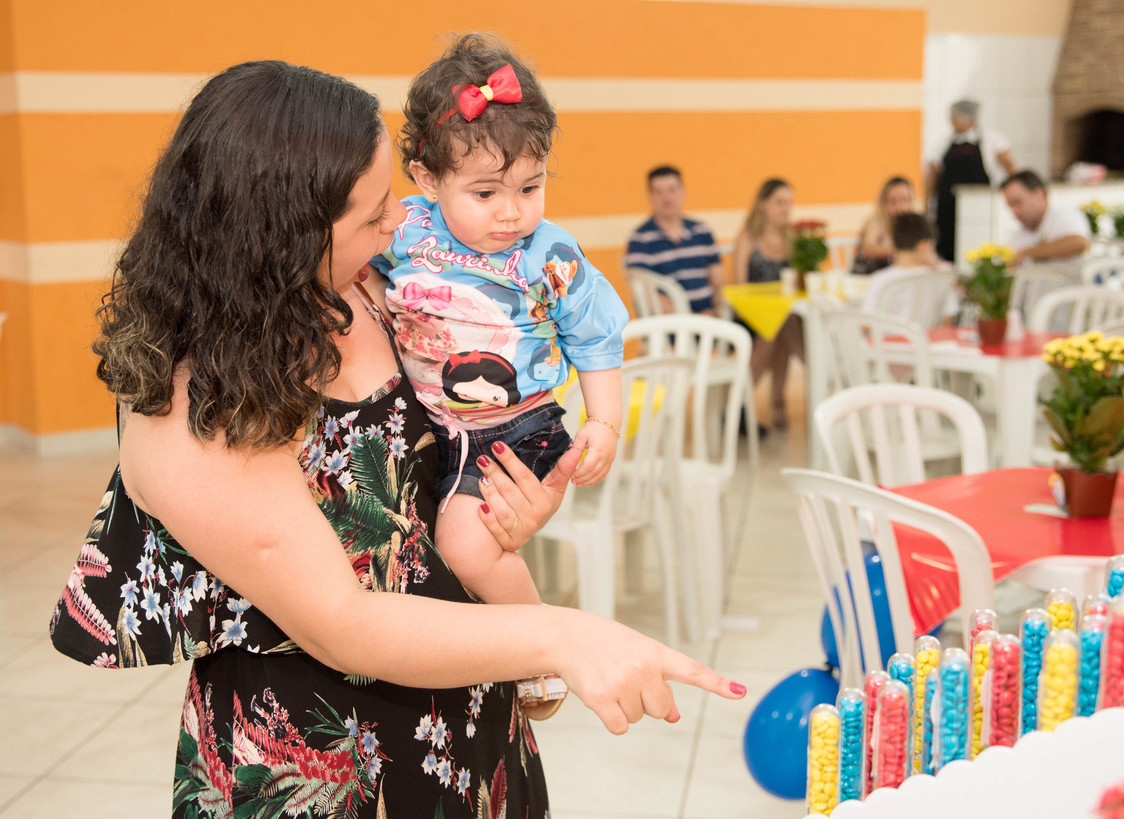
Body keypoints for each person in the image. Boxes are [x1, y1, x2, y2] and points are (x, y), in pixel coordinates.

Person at [47, 59, 744, 818]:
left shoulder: (368, 290)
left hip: (465, 724)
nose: (401, 223)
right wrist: (563, 636)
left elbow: (428, 489)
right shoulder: (189, 404)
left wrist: (504, 515)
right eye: (376, 212)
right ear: (283, 233)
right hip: (317, 764)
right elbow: (344, 624)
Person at [369, 35, 626, 613]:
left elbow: (595, 334)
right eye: (484, 193)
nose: (511, 212)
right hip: (438, 427)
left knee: (465, 550)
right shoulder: (404, 230)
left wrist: (605, 421)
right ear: (428, 179)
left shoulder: (549, 253)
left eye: (530, 188)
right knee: (433, 557)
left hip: (518, 428)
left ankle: (538, 638)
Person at [730, 178, 805, 428]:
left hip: (783, 314)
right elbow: (739, 285)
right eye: (779, 203)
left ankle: (751, 402)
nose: (785, 209)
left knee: (782, 325)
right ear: (763, 204)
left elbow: (798, 283)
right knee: (774, 331)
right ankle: (749, 401)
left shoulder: (791, 238)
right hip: (751, 315)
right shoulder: (748, 238)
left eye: (789, 203)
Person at [624, 166, 724, 314]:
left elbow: (718, 279)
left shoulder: (702, 231)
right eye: (659, 192)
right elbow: (647, 294)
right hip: (669, 323)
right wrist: (695, 319)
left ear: (682, 192)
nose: (666, 198)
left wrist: (718, 311)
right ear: (650, 196)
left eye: (672, 190)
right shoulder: (640, 240)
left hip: (711, 318)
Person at [927, 99, 1016, 263]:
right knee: (947, 248)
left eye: (954, 117)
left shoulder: (990, 139)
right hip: (947, 206)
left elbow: (1010, 167)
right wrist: (928, 201)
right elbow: (933, 171)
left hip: (979, 205)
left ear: (966, 118)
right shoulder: (944, 142)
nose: (952, 121)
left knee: (975, 246)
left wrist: (1009, 195)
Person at [862, 213, 956, 321]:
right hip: (927, 332)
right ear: (924, 246)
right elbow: (948, 319)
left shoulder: (880, 280)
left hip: (888, 332)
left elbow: (867, 324)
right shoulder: (940, 278)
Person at [1001, 170, 1091, 265]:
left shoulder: (1064, 215)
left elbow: (1079, 243)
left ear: (1039, 194)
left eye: (1017, 202)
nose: (1015, 211)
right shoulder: (1017, 236)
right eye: (1010, 206)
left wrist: (1026, 253)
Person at [852, 176, 916, 275]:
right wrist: (903, 250)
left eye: (905, 200)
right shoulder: (875, 223)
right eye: (893, 202)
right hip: (867, 278)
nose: (900, 208)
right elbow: (868, 248)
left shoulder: (911, 226)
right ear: (883, 203)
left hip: (894, 280)